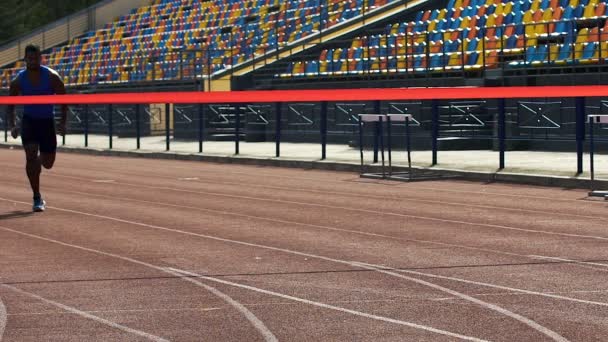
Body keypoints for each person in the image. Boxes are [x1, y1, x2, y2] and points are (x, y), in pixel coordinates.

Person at [6, 44, 67, 212]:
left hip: (47, 122)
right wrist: (12, 125)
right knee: (30, 155)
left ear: (41, 58)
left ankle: (37, 162)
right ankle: (37, 197)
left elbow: (64, 99)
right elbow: (10, 104)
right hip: (29, 121)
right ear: (25, 59)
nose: (32, 61)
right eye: (29, 58)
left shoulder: (52, 77)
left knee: (48, 163)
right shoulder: (19, 80)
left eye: (36, 58)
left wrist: (62, 122)